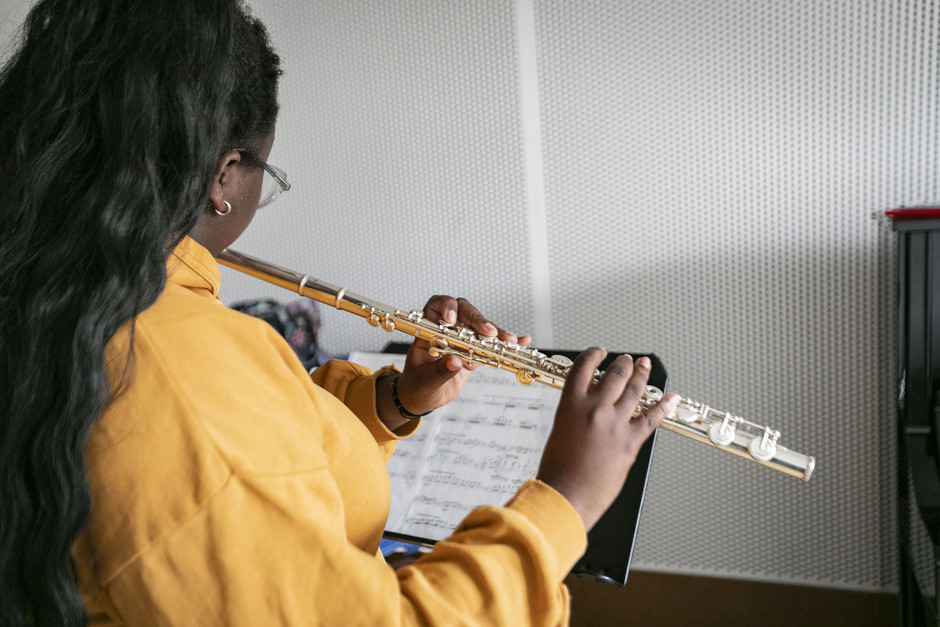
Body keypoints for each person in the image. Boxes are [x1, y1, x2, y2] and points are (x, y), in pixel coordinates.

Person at [0, 1, 679, 625]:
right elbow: (214, 448)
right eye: (264, 172)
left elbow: (265, 443)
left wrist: (395, 399)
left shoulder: (81, 295)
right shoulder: (174, 372)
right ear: (223, 176)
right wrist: (565, 499)